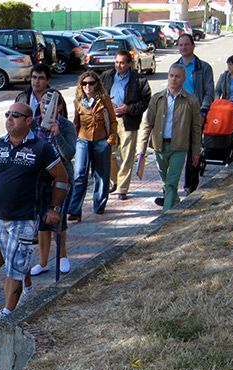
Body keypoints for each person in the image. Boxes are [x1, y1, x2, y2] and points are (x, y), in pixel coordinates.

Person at [0, 103, 69, 326]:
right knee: (14, 260)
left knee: (13, 266)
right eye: (7, 114)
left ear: (28, 120)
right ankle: (28, 289)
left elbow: (62, 177)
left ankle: (8, 312)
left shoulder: (41, 148)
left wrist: (55, 208)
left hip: (25, 218)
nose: (10, 118)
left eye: (16, 115)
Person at [137, 64, 201, 212]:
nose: (174, 79)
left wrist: (196, 151)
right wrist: (142, 148)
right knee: (166, 181)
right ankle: (175, 202)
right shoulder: (157, 98)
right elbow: (147, 124)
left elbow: (196, 128)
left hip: (179, 147)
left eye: (177, 76)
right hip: (160, 146)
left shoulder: (191, 101)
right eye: (171, 75)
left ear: (183, 79)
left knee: (172, 182)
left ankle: (166, 215)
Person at [30, 90, 76, 277]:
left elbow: (69, 154)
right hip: (40, 180)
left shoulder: (66, 126)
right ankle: (42, 262)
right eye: (43, 104)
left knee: (58, 219)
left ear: (59, 107)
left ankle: (62, 255)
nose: (45, 107)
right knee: (42, 222)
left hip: (60, 179)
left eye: (50, 104)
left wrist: (57, 134)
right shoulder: (33, 125)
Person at [101, 50, 151, 200]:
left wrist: (128, 108)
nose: (119, 65)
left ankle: (122, 189)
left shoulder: (139, 80)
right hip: (109, 120)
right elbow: (99, 94)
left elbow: (145, 100)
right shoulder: (107, 76)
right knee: (108, 153)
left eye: (122, 63)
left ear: (129, 63)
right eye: (116, 62)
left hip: (128, 121)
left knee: (126, 156)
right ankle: (115, 180)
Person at [68, 71, 118, 221]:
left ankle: (100, 205)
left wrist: (111, 138)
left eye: (91, 83)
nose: (87, 86)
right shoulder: (78, 101)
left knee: (101, 174)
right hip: (83, 140)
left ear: (97, 84)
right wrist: (75, 140)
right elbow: (75, 123)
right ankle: (75, 210)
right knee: (79, 175)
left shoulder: (104, 99)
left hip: (101, 140)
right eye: (84, 83)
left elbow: (113, 120)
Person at [175, 33, 214, 195]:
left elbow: (209, 92)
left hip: (196, 113)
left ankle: (190, 185)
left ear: (193, 46)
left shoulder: (203, 68)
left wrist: (203, 111)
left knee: (193, 149)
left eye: (186, 44)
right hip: (178, 113)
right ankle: (169, 188)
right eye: (180, 45)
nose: (183, 47)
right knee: (175, 150)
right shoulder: (175, 67)